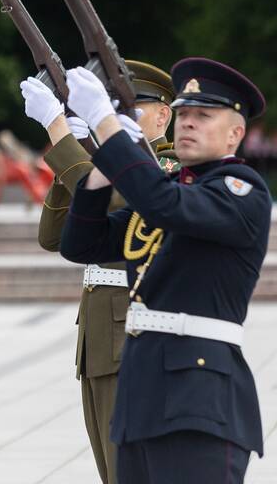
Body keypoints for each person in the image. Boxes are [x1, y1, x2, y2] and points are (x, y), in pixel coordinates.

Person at [59, 58, 269, 483]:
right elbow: (82, 244)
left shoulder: (240, 193)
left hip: (201, 397)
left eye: (203, 116)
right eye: (184, 114)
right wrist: (103, 164)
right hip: (143, 393)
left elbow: (163, 206)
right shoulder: (174, 190)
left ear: (236, 133)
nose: (188, 123)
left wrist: (106, 124)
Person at [20, 60, 178, 483]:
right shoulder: (102, 167)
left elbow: (126, 202)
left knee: (130, 469)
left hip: (133, 330)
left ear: (163, 115)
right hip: (98, 334)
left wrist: (58, 131)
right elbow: (54, 238)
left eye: (130, 108)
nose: (115, 117)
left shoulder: (172, 168)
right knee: (111, 470)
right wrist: (76, 145)